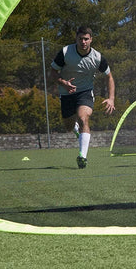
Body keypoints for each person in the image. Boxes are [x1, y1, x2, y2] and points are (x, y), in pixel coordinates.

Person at [51, 26, 115, 168]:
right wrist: (63, 83)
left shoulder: (97, 57)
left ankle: (82, 157)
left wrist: (111, 98)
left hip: (85, 92)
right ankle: (75, 128)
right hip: (66, 93)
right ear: (76, 39)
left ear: (91, 40)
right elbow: (53, 71)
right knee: (68, 126)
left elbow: (109, 77)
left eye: (86, 39)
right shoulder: (65, 52)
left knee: (83, 118)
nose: (83, 42)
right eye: (81, 39)